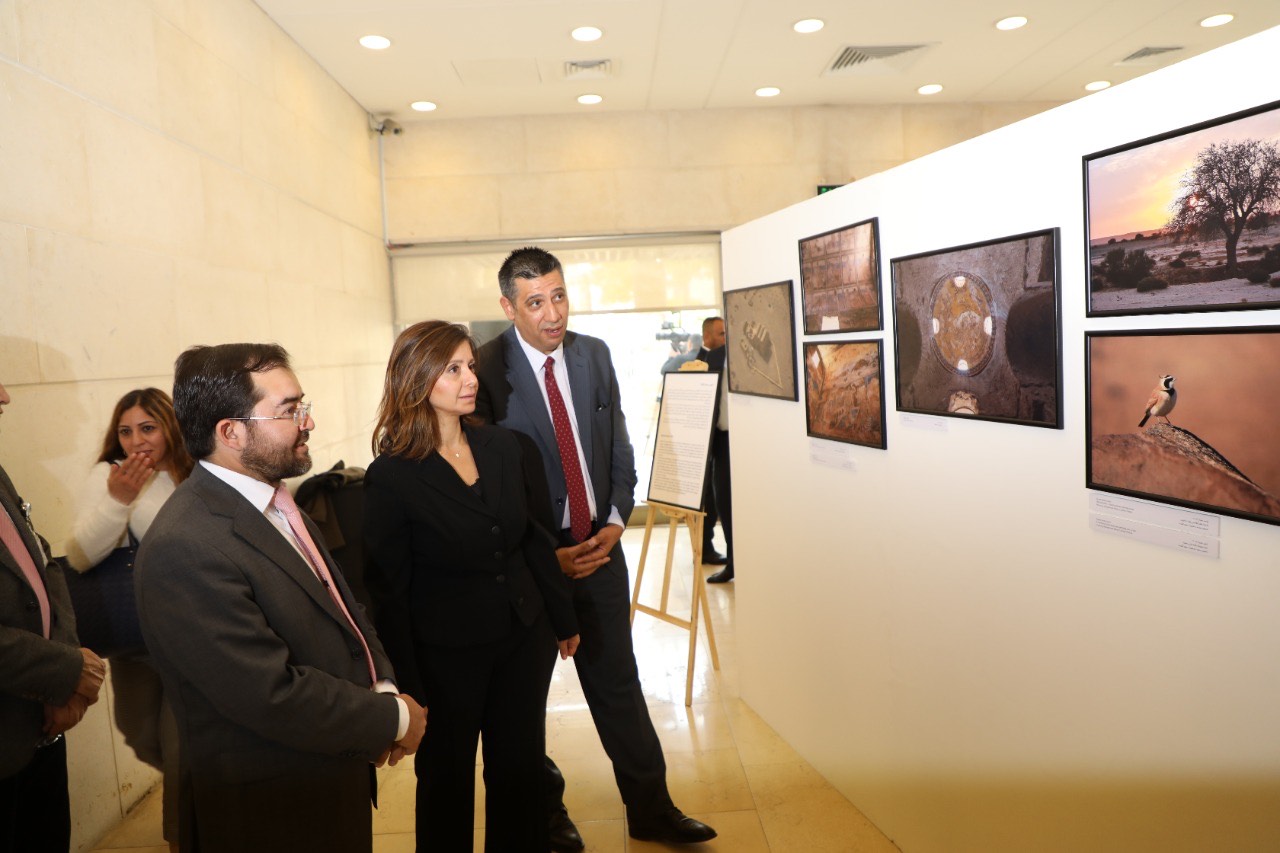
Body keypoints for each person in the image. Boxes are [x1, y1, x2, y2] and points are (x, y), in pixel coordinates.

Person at [134, 344, 426, 853]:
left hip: (327, 776)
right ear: (231, 432)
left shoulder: (274, 501)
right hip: (269, 811)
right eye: (289, 410)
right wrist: (393, 718)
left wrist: (380, 686)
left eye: (302, 406)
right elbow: (266, 693)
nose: (307, 422)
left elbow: (343, 610)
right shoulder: (185, 544)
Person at [474, 247, 717, 848]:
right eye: (535, 302)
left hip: (599, 547)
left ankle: (651, 808)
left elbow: (616, 442)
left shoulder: (594, 354)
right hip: (532, 564)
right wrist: (541, 557)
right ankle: (546, 812)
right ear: (508, 306)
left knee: (618, 685)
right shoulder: (483, 370)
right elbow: (486, 489)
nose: (553, 314)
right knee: (522, 706)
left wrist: (614, 516)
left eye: (558, 296)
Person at [364, 320, 581, 852]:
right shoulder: (391, 476)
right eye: (453, 369)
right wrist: (404, 682)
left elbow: (532, 540)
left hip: (521, 639)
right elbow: (389, 591)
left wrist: (562, 617)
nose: (470, 379)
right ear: (417, 380)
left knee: (520, 773)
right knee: (446, 780)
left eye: (470, 366)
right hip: (444, 657)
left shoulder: (505, 447)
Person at [66, 388, 193, 849]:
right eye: (125, 431)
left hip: (191, 637)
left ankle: (184, 836)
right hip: (135, 638)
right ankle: (206, 792)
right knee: (140, 736)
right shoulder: (110, 475)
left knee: (181, 749)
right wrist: (119, 501)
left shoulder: (196, 473)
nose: (135, 441)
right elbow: (79, 556)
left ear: (170, 427)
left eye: (147, 428)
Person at [0, 380, 106, 853]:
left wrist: (64, 681)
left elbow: (43, 566)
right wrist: (65, 670)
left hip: (38, 730)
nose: (5, 396)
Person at [702, 320, 736, 583]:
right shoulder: (712, 358)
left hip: (750, 443)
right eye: (722, 333)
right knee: (724, 502)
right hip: (722, 442)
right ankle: (734, 563)